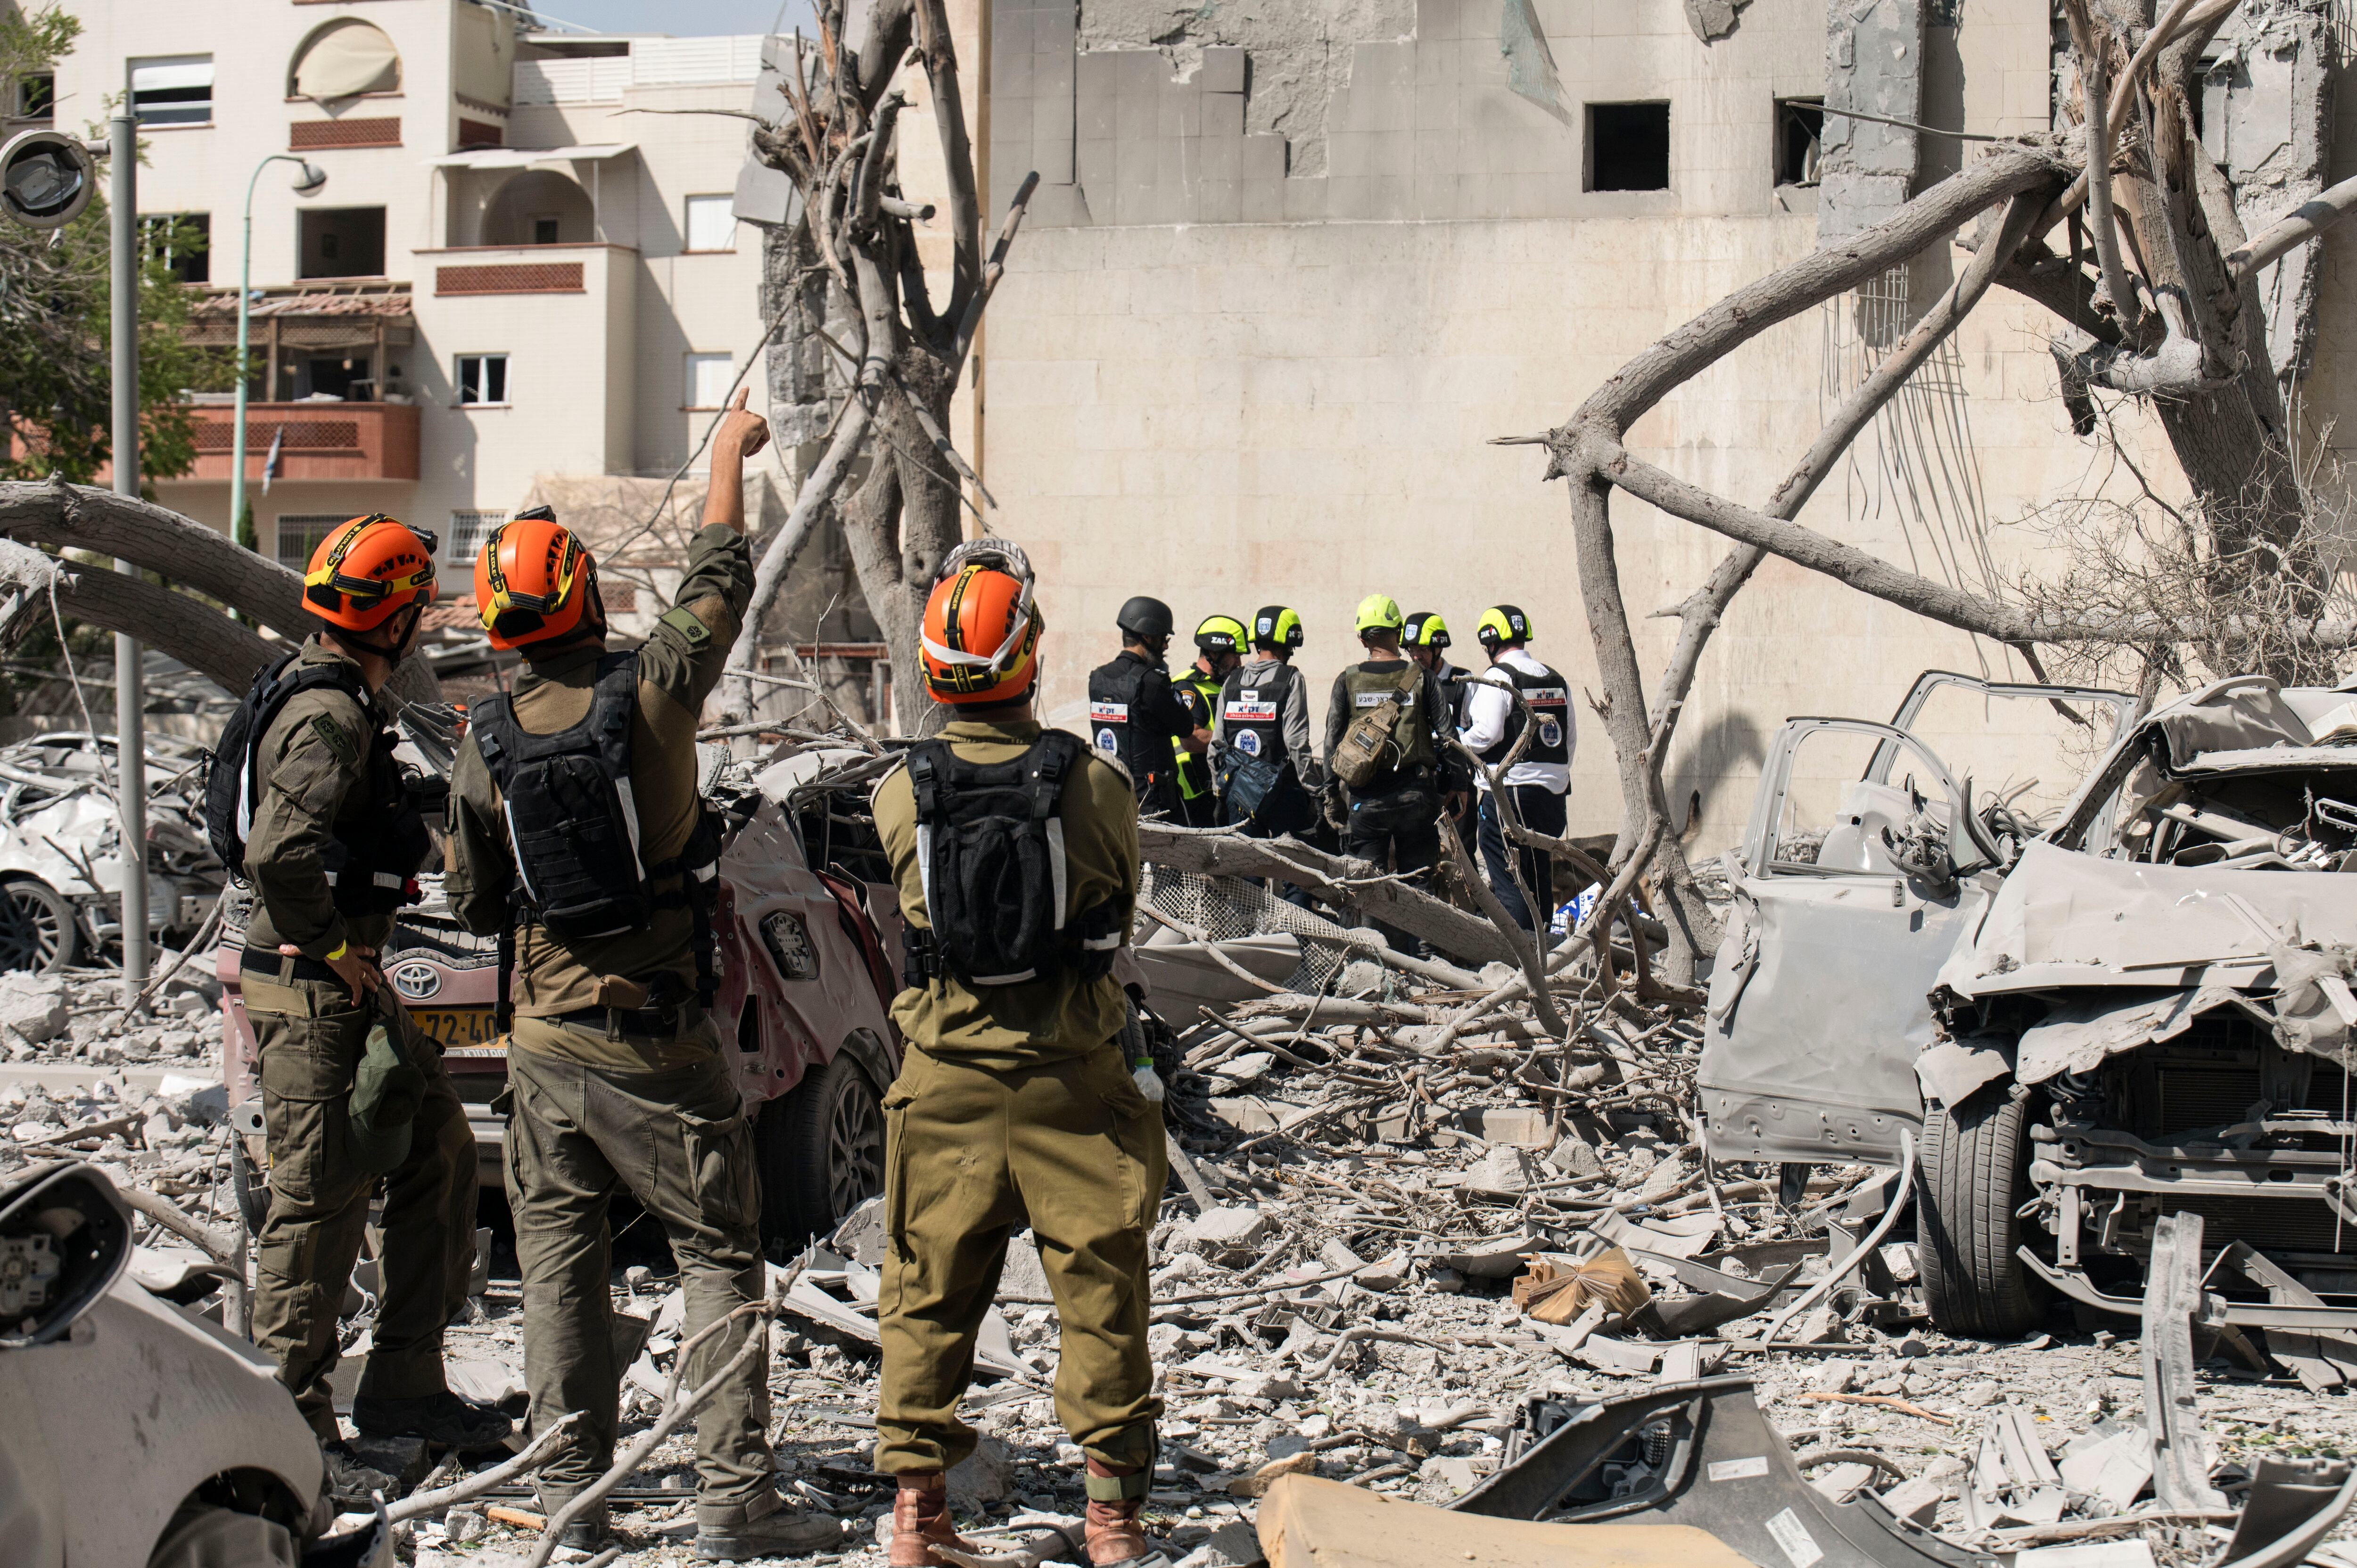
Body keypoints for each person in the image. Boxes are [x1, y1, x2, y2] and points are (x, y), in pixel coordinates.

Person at [444, 390, 841, 1560]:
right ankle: (733, 1502)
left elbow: (473, 899)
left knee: (559, 1258)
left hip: (545, 1043)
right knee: (717, 1252)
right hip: (656, 1042)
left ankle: (572, 1494)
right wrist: (725, 450)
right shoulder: (653, 692)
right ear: (581, 595)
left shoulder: (483, 738)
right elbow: (719, 570)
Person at [870, 539, 1168, 1568]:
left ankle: (918, 1519)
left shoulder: (896, 792)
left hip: (942, 1074)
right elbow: (1119, 908)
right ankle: (1111, 1516)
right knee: (1102, 1287)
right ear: (1029, 657)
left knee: (924, 1287)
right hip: (1071, 1077)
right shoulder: (1093, 784)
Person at [235, 514, 510, 1482]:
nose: (427, 622)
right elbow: (277, 852)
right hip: (314, 991)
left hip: (347, 985)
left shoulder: (343, 693)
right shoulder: (331, 714)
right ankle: (287, 1428)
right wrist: (330, 943)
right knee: (319, 1203)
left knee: (437, 1149)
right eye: (418, 606)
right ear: (392, 618)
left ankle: (405, 1381)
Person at [1323, 595, 1459, 951]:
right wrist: (1455, 785)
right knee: (1421, 883)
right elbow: (1448, 738)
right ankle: (1429, 961)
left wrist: (1330, 793)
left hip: (1366, 801)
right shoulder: (1424, 678)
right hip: (1417, 796)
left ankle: (1368, 962)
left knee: (1366, 886)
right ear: (1398, 633)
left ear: (1362, 638)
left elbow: (1332, 742)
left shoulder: (1347, 680)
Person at [1459, 604, 1574, 933]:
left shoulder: (1499, 676)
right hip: (1552, 795)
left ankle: (1517, 957)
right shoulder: (1556, 679)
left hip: (1508, 792)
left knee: (1510, 879)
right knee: (1540, 874)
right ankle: (1543, 954)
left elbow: (1488, 732)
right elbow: (1570, 740)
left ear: (1490, 642)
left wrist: (1456, 740)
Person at [1086, 596, 1202, 820]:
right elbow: (1186, 727)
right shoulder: (1152, 682)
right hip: (1151, 804)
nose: (1166, 646)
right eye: (1163, 638)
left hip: (1108, 796)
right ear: (1147, 636)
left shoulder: (1097, 678)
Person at [1172, 614, 1244, 826]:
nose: (1239, 663)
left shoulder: (1219, 686)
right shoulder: (1187, 687)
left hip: (1215, 784)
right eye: (1235, 656)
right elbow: (1191, 738)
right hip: (1194, 790)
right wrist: (1239, 742)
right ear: (1214, 653)